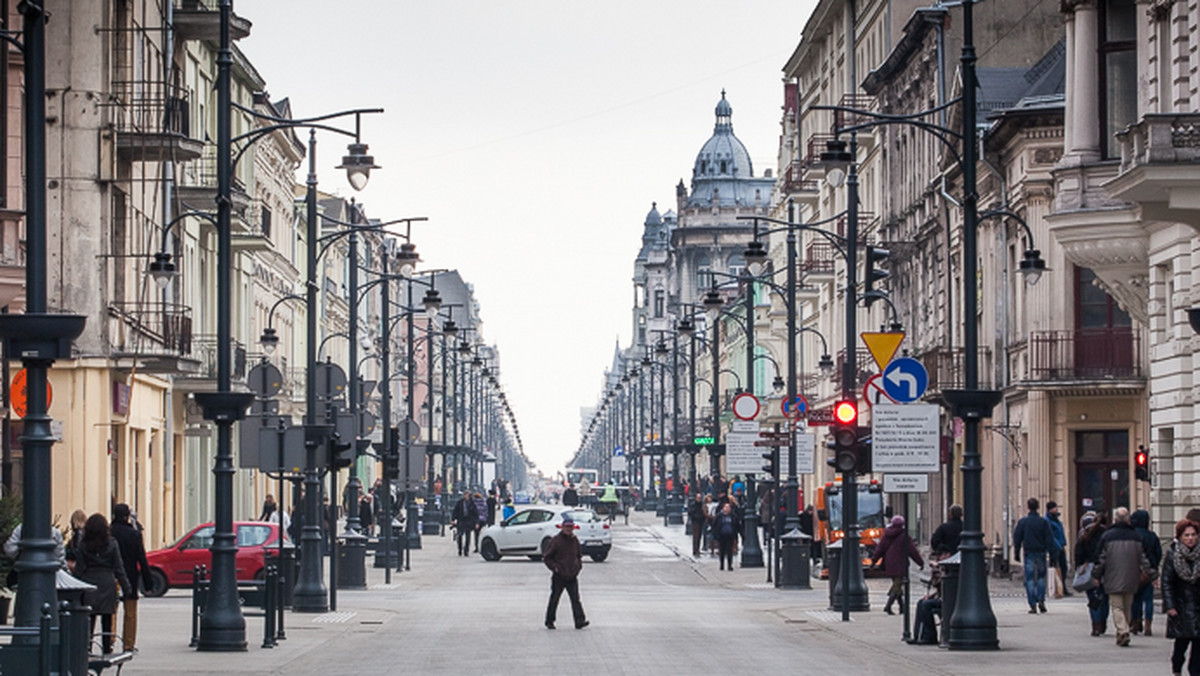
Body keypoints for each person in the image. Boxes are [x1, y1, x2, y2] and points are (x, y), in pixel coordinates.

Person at [1092, 506, 1157, 647]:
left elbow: (1100, 559)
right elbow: (1144, 559)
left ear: (1115, 520)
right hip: (1132, 578)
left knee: (1116, 607)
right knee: (1127, 606)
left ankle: (1123, 630)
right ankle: (1123, 631)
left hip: (1112, 577)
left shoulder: (1107, 536)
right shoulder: (1137, 537)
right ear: (1128, 520)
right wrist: (1153, 575)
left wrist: (1096, 575)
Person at [73, 513, 133, 655]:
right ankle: (106, 647)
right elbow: (119, 567)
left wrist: (75, 585)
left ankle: (87, 646)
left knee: (89, 617)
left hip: (89, 582)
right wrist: (126, 586)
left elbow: (79, 568)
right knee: (107, 617)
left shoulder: (84, 545)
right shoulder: (112, 544)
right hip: (107, 582)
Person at [110, 504, 151, 652]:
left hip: (112, 575)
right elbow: (142, 559)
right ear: (127, 516)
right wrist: (148, 583)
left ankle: (110, 638)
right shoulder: (134, 534)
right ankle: (128, 643)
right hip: (130, 575)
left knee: (111, 608)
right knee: (130, 612)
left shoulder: (109, 532)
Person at [1162, 518, 1200, 676]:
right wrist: (1170, 605)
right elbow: (1167, 582)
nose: (1190, 538)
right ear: (1180, 537)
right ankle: (1177, 669)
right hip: (1181, 607)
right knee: (1181, 645)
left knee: (1198, 648)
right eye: (1187, 535)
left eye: (1193, 535)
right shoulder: (1173, 555)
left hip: (1198, 608)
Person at [1013, 497, 1059, 614]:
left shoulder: (1023, 522)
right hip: (1041, 552)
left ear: (1028, 507)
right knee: (1041, 577)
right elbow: (1049, 539)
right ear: (1038, 507)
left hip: (1029, 552)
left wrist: (1016, 552)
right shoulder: (1043, 522)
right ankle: (1041, 599)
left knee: (1029, 578)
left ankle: (1032, 604)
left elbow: (1017, 538)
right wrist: (1053, 556)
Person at [542, 514, 588, 630]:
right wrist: (556, 568)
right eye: (567, 527)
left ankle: (579, 621)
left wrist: (578, 567)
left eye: (570, 527)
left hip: (572, 575)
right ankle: (549, 621)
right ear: (562, 527)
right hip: (559, 575)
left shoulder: (575, 540)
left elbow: (578, 555)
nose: (568, 529)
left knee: (575, 599)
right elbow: (547, 557)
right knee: (555, 598)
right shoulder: (556, 540)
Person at [872, 515, 924, 615]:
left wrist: (874, 560)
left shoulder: (886, 535)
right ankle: (888, 606)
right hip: (901, 564)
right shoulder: (904, 537)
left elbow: (880, 549)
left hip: (889, 563)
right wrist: (920, 562)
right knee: (897, 585)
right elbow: (913, 552)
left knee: (898, 584)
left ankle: (902, 607)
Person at [1077, 511, 1110, 636]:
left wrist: (1079, 567)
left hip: (1088, 568)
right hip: (1104, 568)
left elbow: (1078, 553)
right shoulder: (1105, 534)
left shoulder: (1083, 535)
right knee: (1104, 598)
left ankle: (1095, 625)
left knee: (1093, 598)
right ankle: (1102, 623)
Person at [1129, 508, 1162, 635]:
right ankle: (1148, 625)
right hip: (1149, 573)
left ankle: (1136, 623)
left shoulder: (1132, 535)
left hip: (1134, 571)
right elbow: (1158, 553)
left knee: (1135, 599)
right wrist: (1154, 568)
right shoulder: (1152, 536)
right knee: (1148, 599)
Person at [1045, 501, 1072, 597]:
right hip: (1055, 547)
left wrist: (1063, 543)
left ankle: (1062, 587)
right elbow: (1051, 536)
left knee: (1063, 568)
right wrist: (1058, 546)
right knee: (1055, 567)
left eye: (1056, 507)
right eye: (1054, 508)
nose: (1056, 509)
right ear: (1049, 510)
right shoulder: (1048, 521)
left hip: (1061, 546)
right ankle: (1055, 588)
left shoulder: (1056, 520)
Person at [713, 502, 740, 571]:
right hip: (721, 535)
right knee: (722, 551)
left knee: (729, 551)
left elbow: (737, 525)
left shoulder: (733, 516)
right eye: (726, 507)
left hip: (730, 535)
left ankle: (729, 565)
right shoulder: (719, 516)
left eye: (728, 507)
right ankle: (722, 565)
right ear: (723, 508)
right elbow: (714, 525)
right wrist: (716, 534)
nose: (727, 509)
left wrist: (738, 534)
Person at [688, 493, 706, 557]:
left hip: (700, 521)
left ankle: (697, 549)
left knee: (699, 536)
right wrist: (695, 516)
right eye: (698, 497)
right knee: (696, 536)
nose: (699, 499)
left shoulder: (701, 504)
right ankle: (695, 550)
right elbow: (690, 512)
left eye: (700, 498)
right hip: (695, 522)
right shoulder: (693, 504)